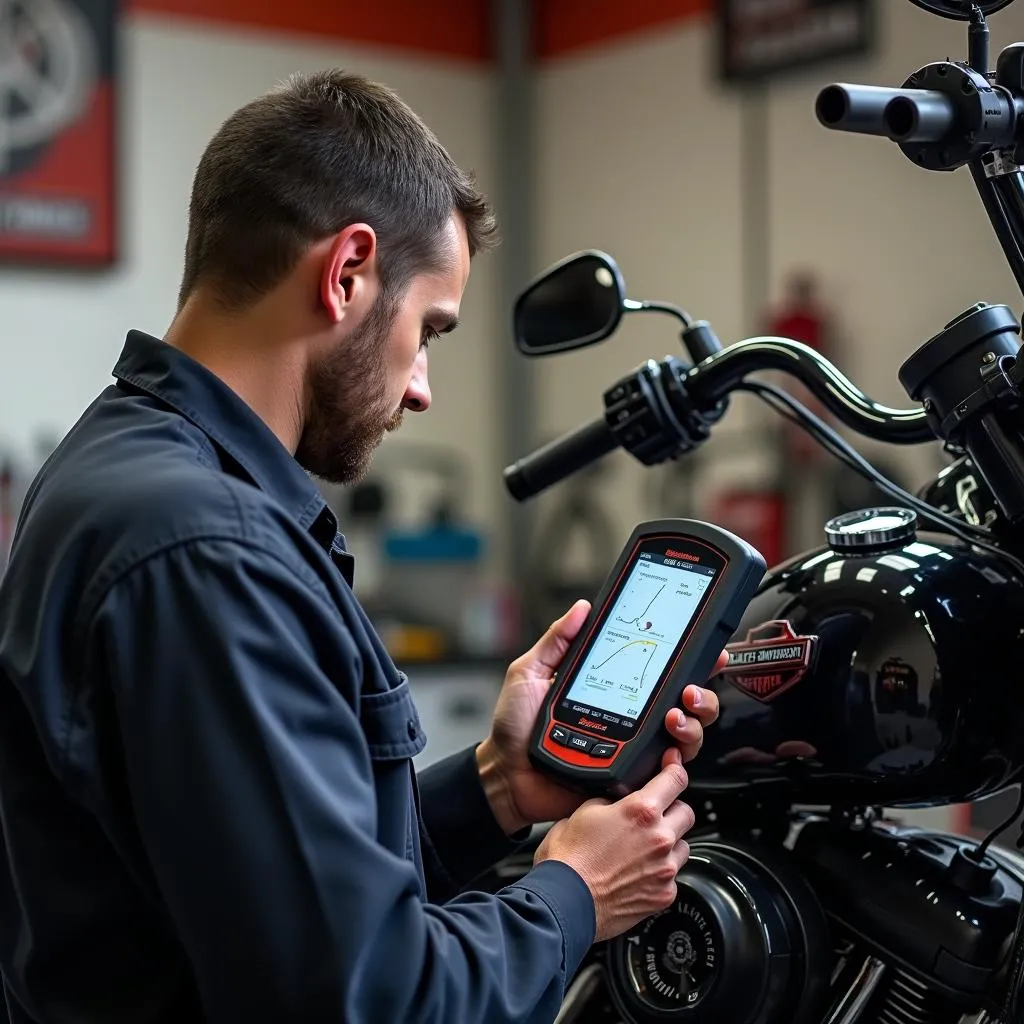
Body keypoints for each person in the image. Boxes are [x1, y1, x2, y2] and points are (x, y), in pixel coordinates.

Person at [0, 69, 724, 1024]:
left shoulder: (127, 470)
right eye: (427, 329)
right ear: (346, 272)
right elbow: (364, 997)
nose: (422, 387)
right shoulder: (208, 550)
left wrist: (497, 786)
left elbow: (271, 886)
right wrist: (575, 898)